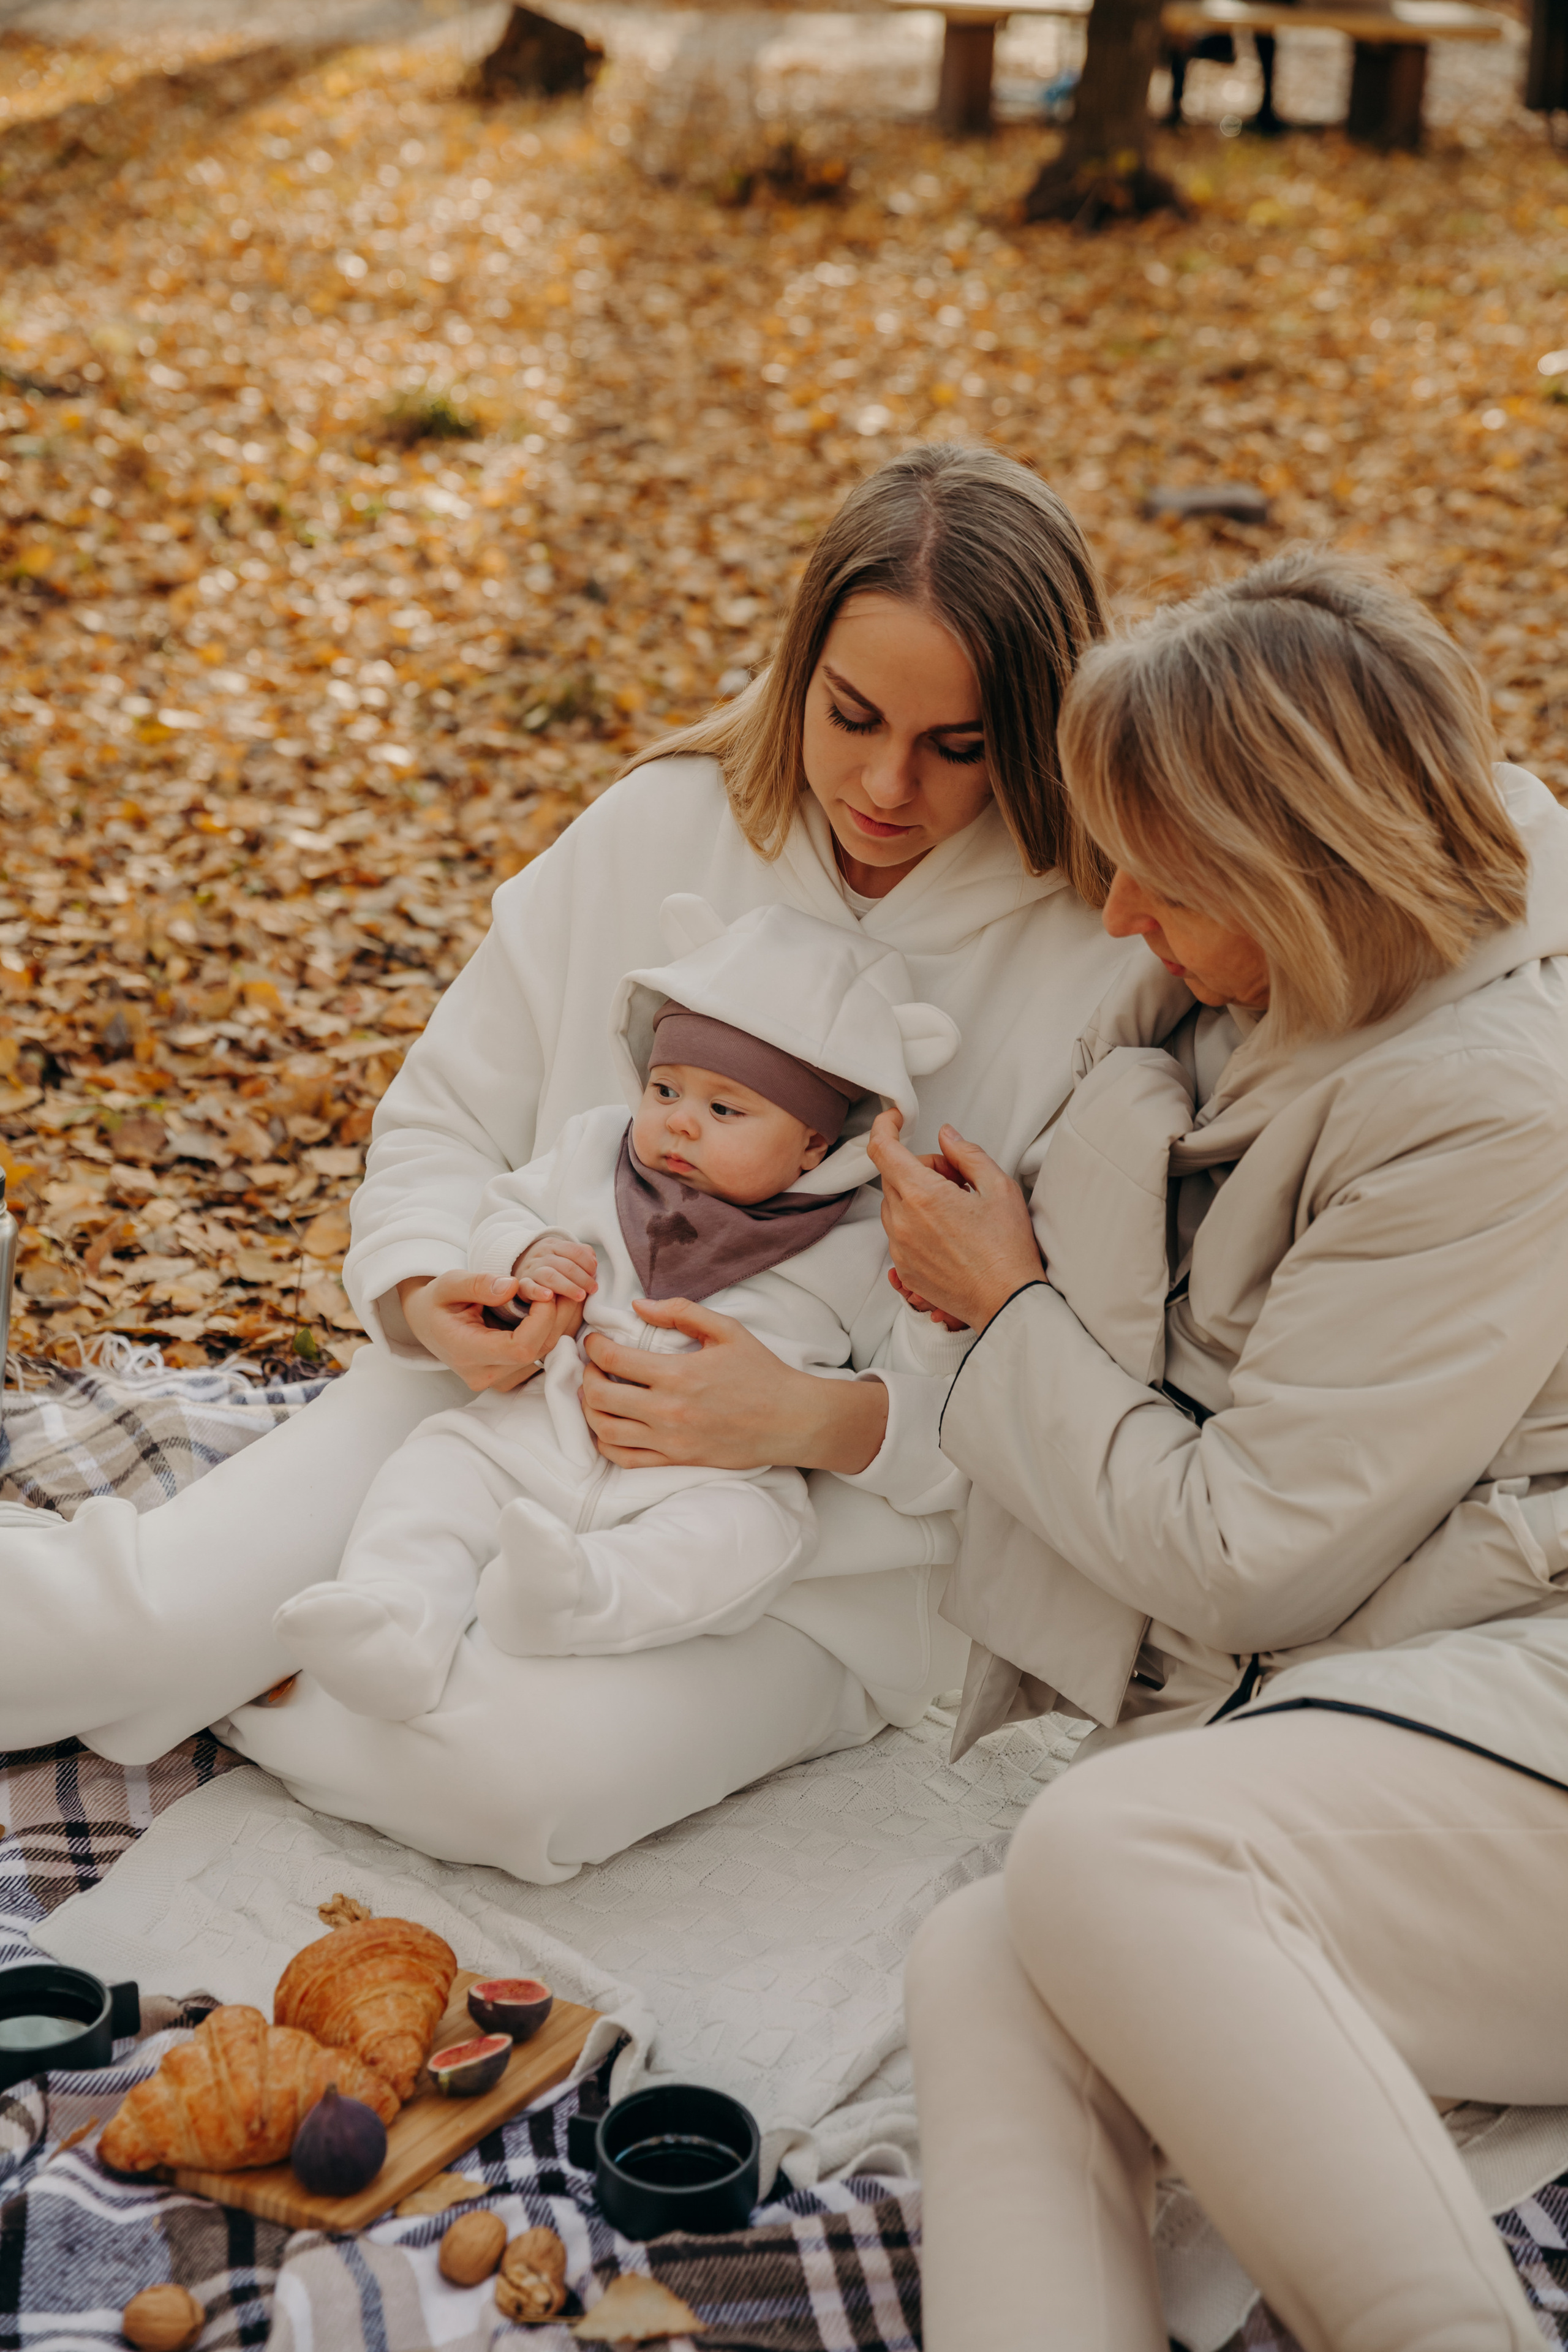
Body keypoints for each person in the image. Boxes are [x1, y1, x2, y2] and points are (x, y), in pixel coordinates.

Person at [4, 442, 1133, 1885]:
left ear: (1031, 734)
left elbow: (1083, 1378)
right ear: (797, 670)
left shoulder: (1092, 956)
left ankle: (251, 1685)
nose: (884, 785)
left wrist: (813, 1419)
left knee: (507, 1786)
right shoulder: (663, 825)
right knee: (129, 1627)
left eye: (956, 747)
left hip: (813, 1547)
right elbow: (442, 1118)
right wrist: (430, 1300)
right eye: (848, 717)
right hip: (485, 1406)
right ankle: (203, 1663)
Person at [873, 548, 1568, 2351]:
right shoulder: (1241, 1003)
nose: (1110, 917)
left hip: (1523, 1704)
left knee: (1110, 1850)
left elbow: (1262, 1554)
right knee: (986, 1950)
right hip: (1393, 1701)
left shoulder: (1494, 1105)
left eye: (1157, 877)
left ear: (1301, 875)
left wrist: (1008, 1316)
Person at [274, 898, 968, 1718]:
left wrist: (930, 1315)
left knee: (750, 1541)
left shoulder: (854, 1240)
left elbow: (903, 1366)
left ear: (816, 1143)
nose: (678, 1120)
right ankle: (394, 1622)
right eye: (665, 1087)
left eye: (724, 1110)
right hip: (540, 1426)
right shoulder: (593, 1154)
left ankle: (578, 1598)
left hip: (712, 1479)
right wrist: (521, 1256)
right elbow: (506, 1207)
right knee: (437, 1471)